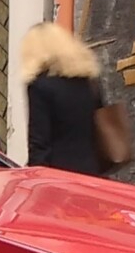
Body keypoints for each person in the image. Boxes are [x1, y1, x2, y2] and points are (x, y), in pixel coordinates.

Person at [18, 22, 108, 174]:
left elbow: (39, 142)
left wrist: (35, 176)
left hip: (59, 175)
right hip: (92, 171)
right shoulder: (88, 82)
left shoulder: (40, 86)